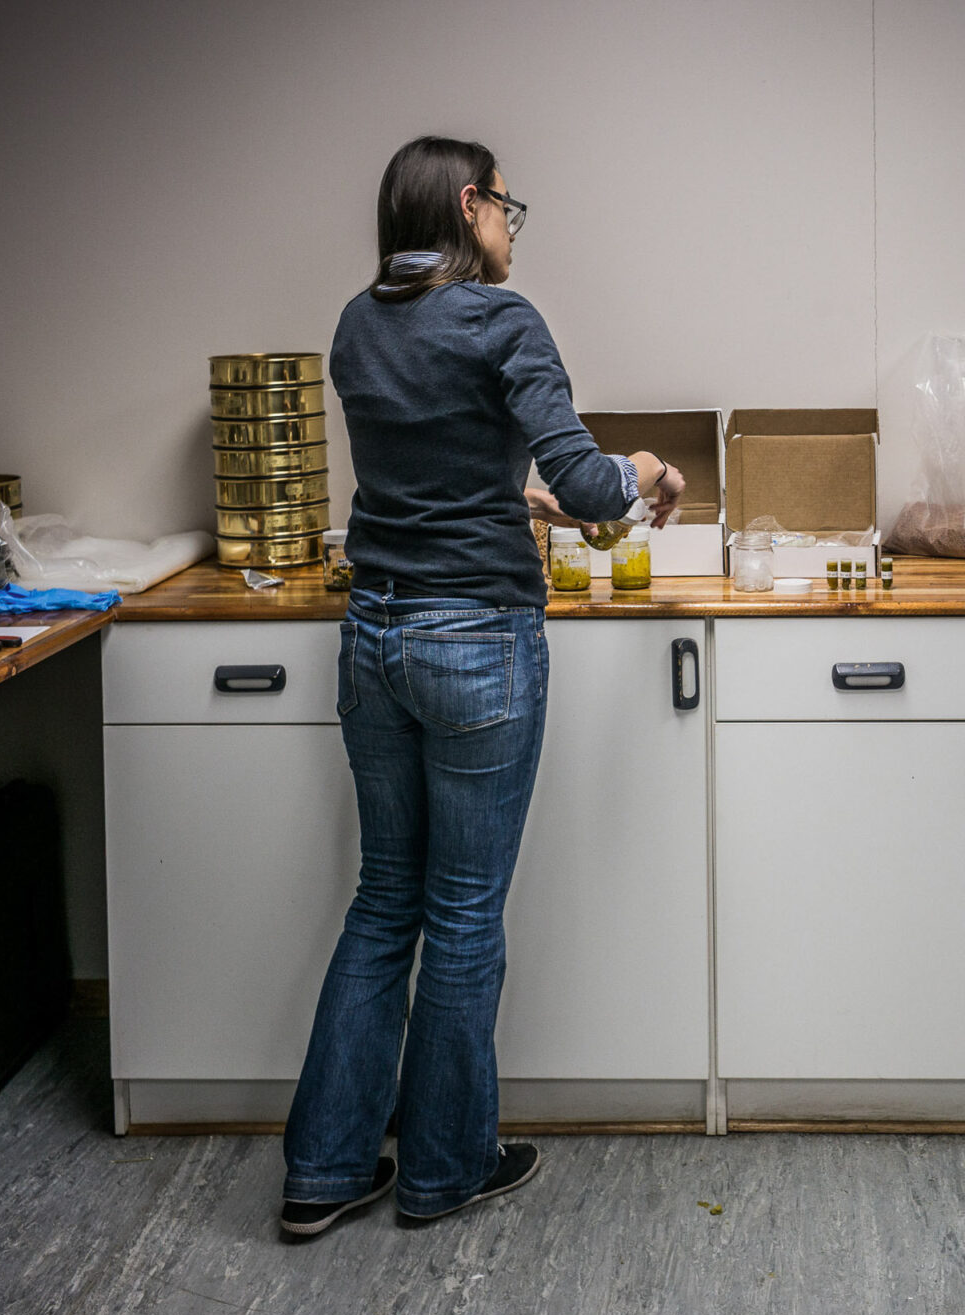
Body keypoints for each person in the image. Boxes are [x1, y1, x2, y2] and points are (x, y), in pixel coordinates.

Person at [279, 136, 686, 1236]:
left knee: (383, 901)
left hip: (374, 638)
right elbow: (596, 490)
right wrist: (647, 471)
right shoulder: (504, 320)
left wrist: (533, 499)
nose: (513, 223)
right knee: (461, 915)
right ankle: (442, 1169)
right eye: (508, 204)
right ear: (469, 204)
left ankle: (324, 1168)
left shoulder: (358, 323)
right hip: (476, 647)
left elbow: (442, 479)